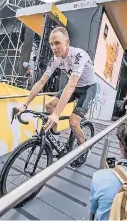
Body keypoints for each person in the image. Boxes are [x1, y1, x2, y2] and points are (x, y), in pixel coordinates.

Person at [15, 26, 97, 168]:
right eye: (51, 44)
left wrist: (57, 115)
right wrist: (25, 104)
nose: (54, 47)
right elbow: (41, 82)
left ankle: (84, 149)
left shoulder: (78, 55)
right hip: (74, 87)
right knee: (49, 106)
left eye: (57, 43)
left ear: (67, 42)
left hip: (88, 88)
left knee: (73, 123)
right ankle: (56, 141)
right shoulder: (55, 59)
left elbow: (71, 85)